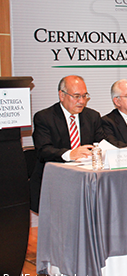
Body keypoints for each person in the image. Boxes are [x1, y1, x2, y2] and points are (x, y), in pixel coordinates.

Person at [30, 75, 106, 212]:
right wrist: (71, 153)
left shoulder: (92, 116)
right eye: (76, 96)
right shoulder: (44, 117)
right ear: (62, 95)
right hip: (55, 182)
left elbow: (100, 144)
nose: (82, 101)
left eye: (84, 96)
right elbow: (43, 151)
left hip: (86, 182)